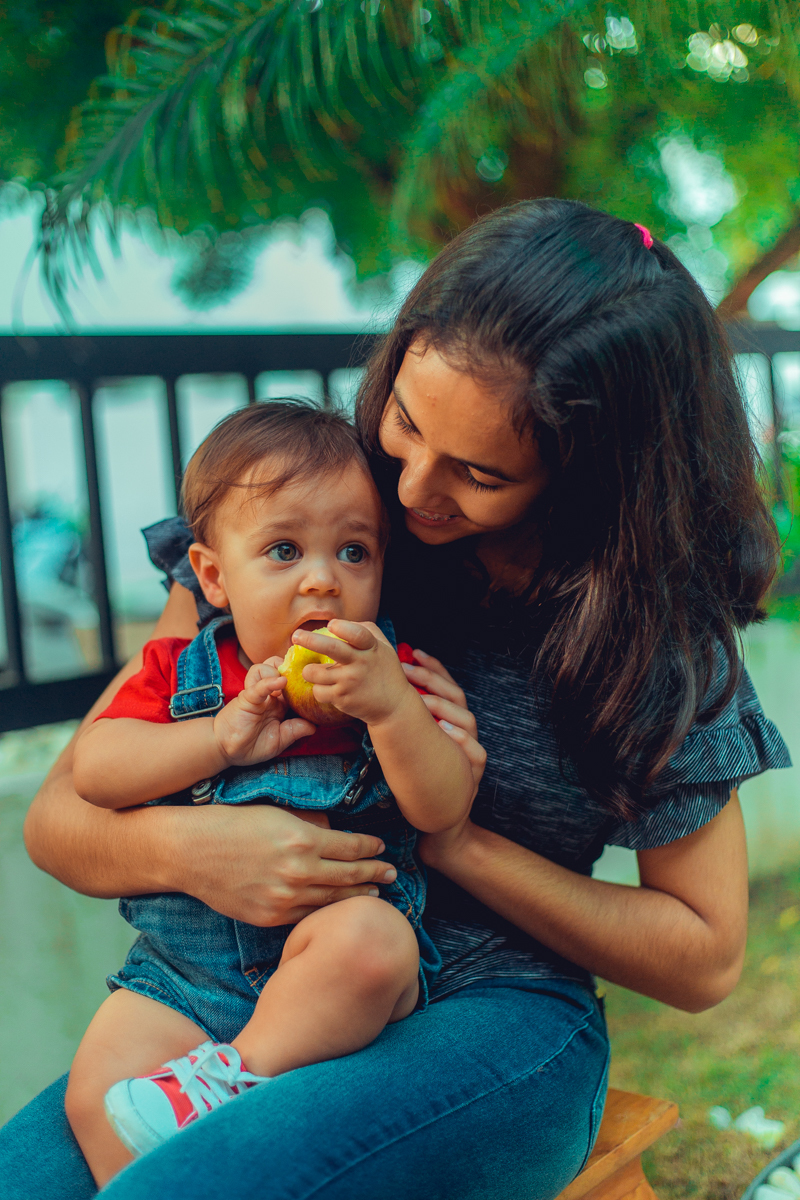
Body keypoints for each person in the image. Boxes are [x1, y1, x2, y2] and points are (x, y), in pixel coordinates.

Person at [1, 198, 790, 1200]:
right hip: (230, 984)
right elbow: (62, 813)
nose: (413, 488)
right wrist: (191, 850)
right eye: (407, 424)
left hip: (493, 1008)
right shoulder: (319, 510)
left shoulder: (647, 633)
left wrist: (455, 840)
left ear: (585, 475)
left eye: (476, 473)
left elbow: (702, 955)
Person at [64, 402, 476, 1187]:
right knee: (98, 1097)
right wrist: (217, 737)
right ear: (213, 576)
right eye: (284, 550)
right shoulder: (181, 670)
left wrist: (392, 708)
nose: (323, 577)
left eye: (353, 551)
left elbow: (443, 808)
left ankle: (236, 1077)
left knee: (374, 943)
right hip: (186, 975)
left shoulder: (393, 672)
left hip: (330, 966)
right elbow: (97, 769)